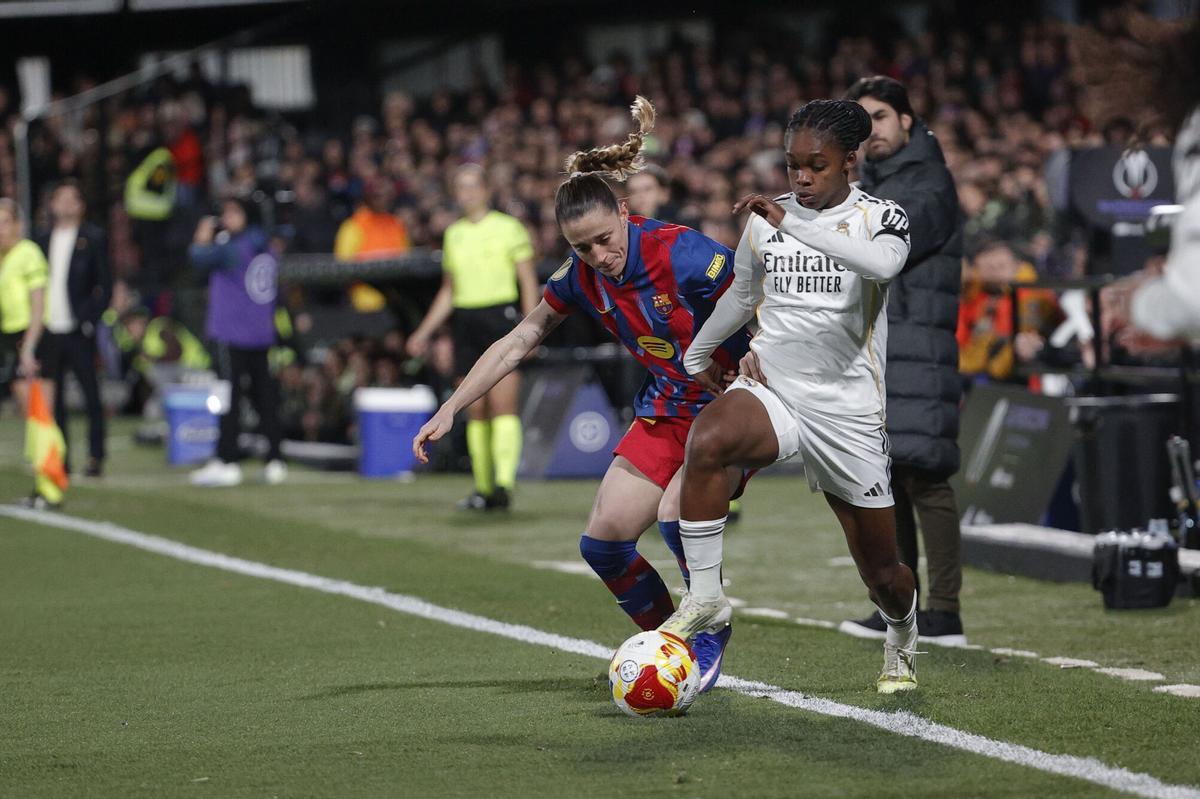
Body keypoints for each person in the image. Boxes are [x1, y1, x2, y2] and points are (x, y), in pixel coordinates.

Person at [413, 97, 751, 691]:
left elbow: (764, 293)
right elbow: (520, 339)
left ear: (623, 211)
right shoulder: (580, 278)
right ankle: (662, 651)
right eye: (581, 248)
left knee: (676, 515)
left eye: (603, 239)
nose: (599, 256)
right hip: (669, 409)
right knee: (604, 543)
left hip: (734, 407)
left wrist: (762, 349)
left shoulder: (683, 251)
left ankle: (705, 633)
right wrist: (451, 407)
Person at [658, 100, 922, 693]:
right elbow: (742, 296)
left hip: (848, 409)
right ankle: (705, 599)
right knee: (710, 439)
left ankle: (902, 632)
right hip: (775, 385)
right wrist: (698, 354)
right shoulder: (765, 221)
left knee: (881, 572)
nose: (800, 178)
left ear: (850, 161)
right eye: (792, 164)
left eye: (816, 165)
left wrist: (791, 224)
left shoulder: (883, 218)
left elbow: (881, 267)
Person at [837, 76, 966, 645]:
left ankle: (946, 614)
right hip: (883, 346)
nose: (873, 131)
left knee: (926, 476)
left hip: (917, 347)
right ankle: (905, 605)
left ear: (908, 122)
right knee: (890, 475)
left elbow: (891, 239)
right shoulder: (877, 182)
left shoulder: (928, 182)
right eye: (862, 123)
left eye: (881, 116)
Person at [406, 164, 539, 511]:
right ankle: (483, 488)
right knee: (473, 407)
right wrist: (425, 331)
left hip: (501, 317)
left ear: (485, 190)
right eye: (459, 187)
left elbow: (526, 281)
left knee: (503, 404)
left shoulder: (509, 228)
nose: (465, 193)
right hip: (466, 321)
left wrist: (531, 328)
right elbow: (449, 291)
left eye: (470, 186)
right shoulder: (454, 234)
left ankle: (504, 485)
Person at [187, 198, 286, 487]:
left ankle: (226, 459)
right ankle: (275, 459)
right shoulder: (266, 247)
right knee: (264, 398)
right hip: (260, 334)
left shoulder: (231, 249)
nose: (226, 218)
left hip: (230, 335)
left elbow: (197, 256)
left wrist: (202, 236)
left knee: (223, 398)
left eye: (232, 212)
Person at [35, 180, 112, 478]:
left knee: (91, 394)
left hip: (78, 329)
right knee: (55, 401)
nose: (66, 204)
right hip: (50, 329)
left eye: (72, 199)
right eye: (60, 198)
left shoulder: (92, 238)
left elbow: (103, 283)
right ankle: (60, 458)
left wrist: (91, 318)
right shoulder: (41, 240)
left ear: (81, 205)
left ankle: (95, 457)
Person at [0, 198, 56, 506]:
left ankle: (51, 485)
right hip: (11, 338)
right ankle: (43, 483)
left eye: (4, 222)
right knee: (29, 414)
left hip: (30, 338)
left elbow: (38, 305)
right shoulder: (4, 258)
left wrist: (30, 346)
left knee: (40, 414)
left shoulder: (28, 254)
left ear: (17, 225)